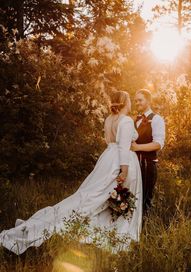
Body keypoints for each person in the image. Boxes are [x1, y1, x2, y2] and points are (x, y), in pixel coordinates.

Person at [0, 91, 143, 255]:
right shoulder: (125, 121)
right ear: (125, 102)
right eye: (130, 100)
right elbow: (124, 147)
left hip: (108, 158)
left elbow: (108, 142)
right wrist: (124, 171)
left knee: (97, 195)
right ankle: (113, 227)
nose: (132, 103)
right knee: (110, 195)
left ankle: (102, 222)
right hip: (119, 161)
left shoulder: (110, 120)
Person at [131, 89, 165, 217]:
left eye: (140, 100)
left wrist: (137, 147)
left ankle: (143, 232)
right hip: (133, 164)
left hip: (147, 165)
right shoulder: (134, 120)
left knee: (145, 199)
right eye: (135, 101)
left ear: (148, 101)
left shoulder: (157, 119)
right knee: (132, 197)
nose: (137, 103)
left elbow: (158, 144)